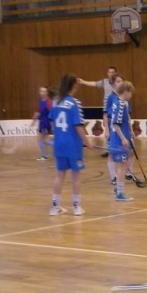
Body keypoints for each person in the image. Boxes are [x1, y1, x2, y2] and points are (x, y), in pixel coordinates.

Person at [49, 73, 93, 216]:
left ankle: (55, 207)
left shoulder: (55, 101)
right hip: (73, 145)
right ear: (74, 85)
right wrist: (87, 141)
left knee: (59, 175)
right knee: (76, 176)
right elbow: (78, 126)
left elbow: (52, 122)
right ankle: (76, 207)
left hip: (59, 144)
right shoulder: (74, 103)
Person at [78, 67, 117, 158]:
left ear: (115, 73)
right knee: (107, 129)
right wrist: (83, 82)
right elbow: (94, 83)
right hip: (107, 108)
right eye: (109, 72)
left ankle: (116, 149)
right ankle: (108, 150)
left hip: (116, 108)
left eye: (113, 72)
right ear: (107, 73)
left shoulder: (118, 82)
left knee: (116, 129)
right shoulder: (104, 82)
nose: (111, 74)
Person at [108, 79, 135, 202]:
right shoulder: (121, 104)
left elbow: (125, 119)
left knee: (121, 165)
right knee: (122, 166)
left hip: (118, 138)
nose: (131, 95)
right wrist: (124, 138)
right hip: (119, 140)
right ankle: (120, 193)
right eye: (131, 92)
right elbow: (116, 124)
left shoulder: (120, 102)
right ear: (126, 91)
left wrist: (130, 130)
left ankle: (118, 188)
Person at [32, 86, 54, 160]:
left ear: (47, 93)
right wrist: (33, 121)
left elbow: (53, 114)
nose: (42, 93)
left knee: (41, 140)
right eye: (41, 91)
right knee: (42, 140)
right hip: (42, 123)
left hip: (46, 123)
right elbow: (38, 111)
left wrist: (53, 124)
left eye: (44, 91)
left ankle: (45, 155)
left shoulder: (49, 102)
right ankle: (45, 155)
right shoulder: (41, 100)